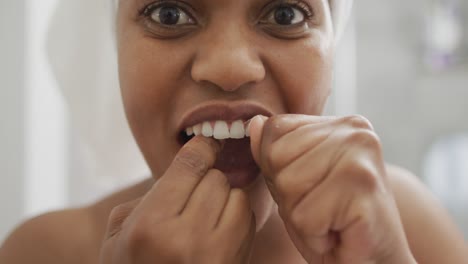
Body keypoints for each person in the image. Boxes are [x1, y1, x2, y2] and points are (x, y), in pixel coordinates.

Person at [1, 0, 467, 263]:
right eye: (168, 14)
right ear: (114, 49)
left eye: (285, 14)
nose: (230, 66)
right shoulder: (44, 252)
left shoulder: (402, 223)